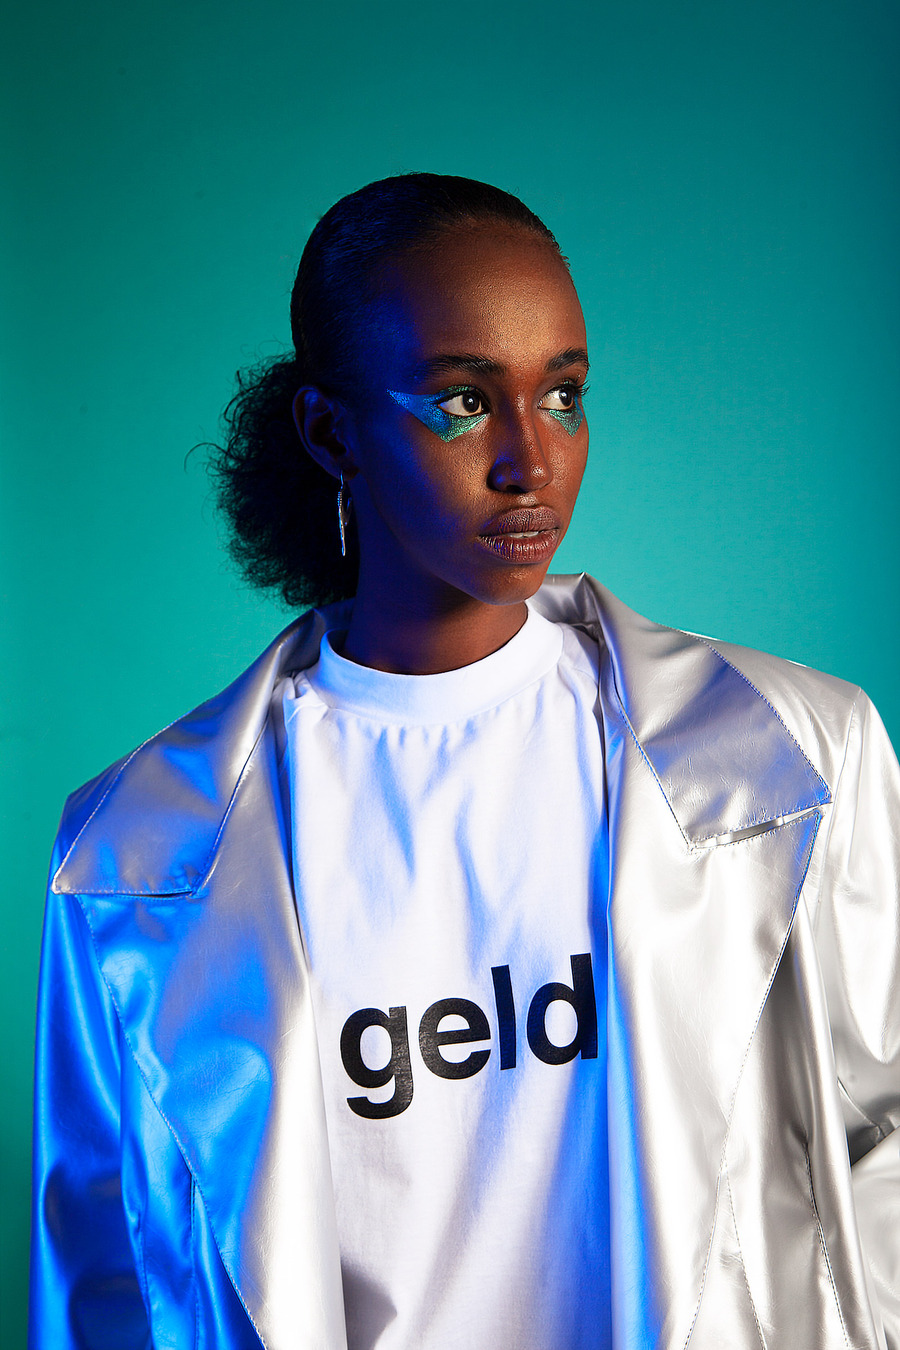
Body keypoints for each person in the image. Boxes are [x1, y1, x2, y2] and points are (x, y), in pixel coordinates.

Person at [30, 174, 899, 1350]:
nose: (530, 460)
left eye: (564, 394)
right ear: (331, 433)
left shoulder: (801, 753)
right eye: (462, 402)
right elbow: (103, 1277)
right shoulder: (129, 853)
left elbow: (882, 1158)